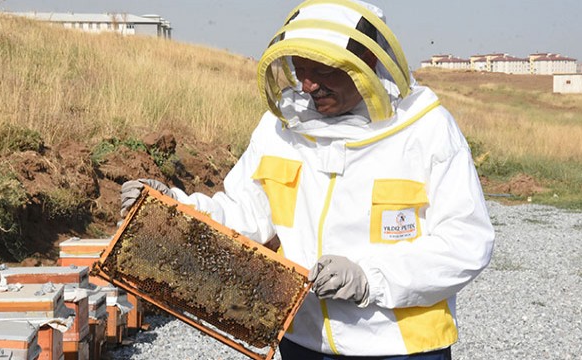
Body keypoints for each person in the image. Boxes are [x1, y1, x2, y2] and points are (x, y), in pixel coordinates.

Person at [121, 0, 494, 359]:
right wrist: (171, 208)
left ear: (367, 61)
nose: (309, 86)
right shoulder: (281, 128)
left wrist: (370, 278)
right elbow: (245, 212)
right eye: (301, 69)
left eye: (325, 71)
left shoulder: (425, 129)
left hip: (399, 348)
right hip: (303, 339)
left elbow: (466, 241)